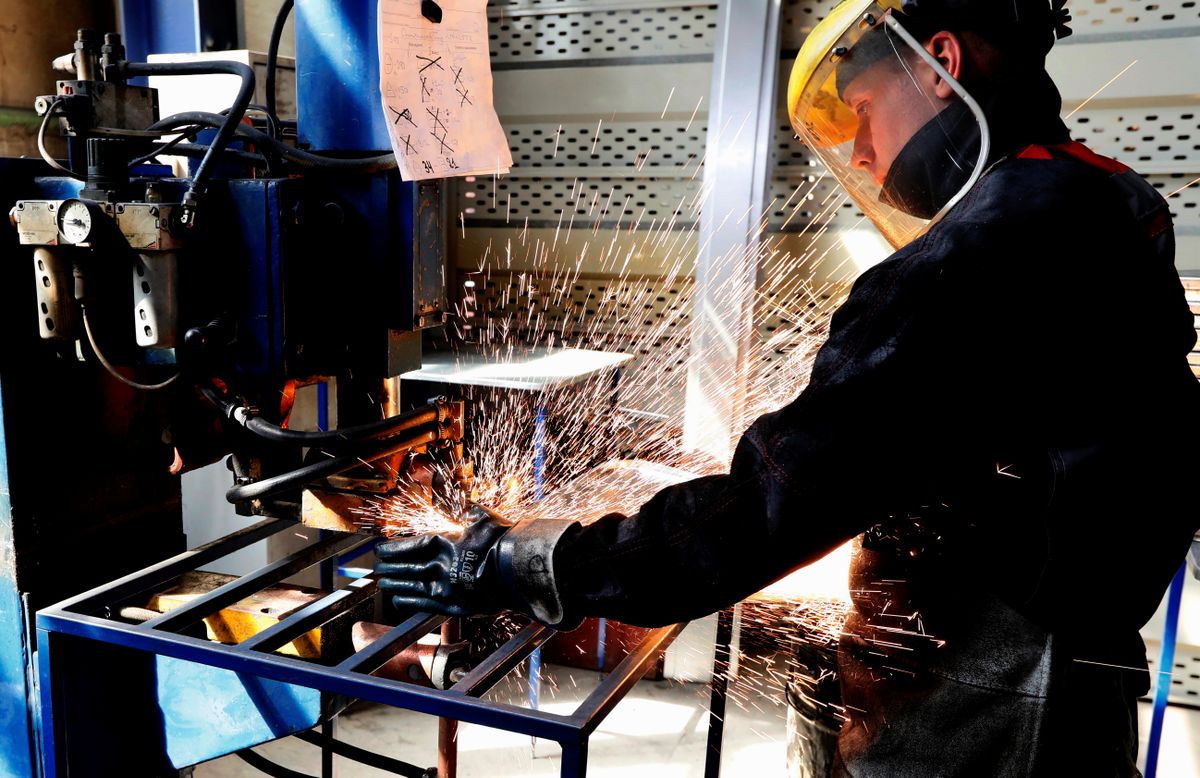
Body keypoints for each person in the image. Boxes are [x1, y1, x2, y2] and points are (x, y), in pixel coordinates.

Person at [377, 1, 1200, 774]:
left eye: (866, 109)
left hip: (988, 702)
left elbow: (774, 500)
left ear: (939, 65)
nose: (866, 155)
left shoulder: (973, 257)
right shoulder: (1107, 197)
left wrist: (540, 563)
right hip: (1077, 675)